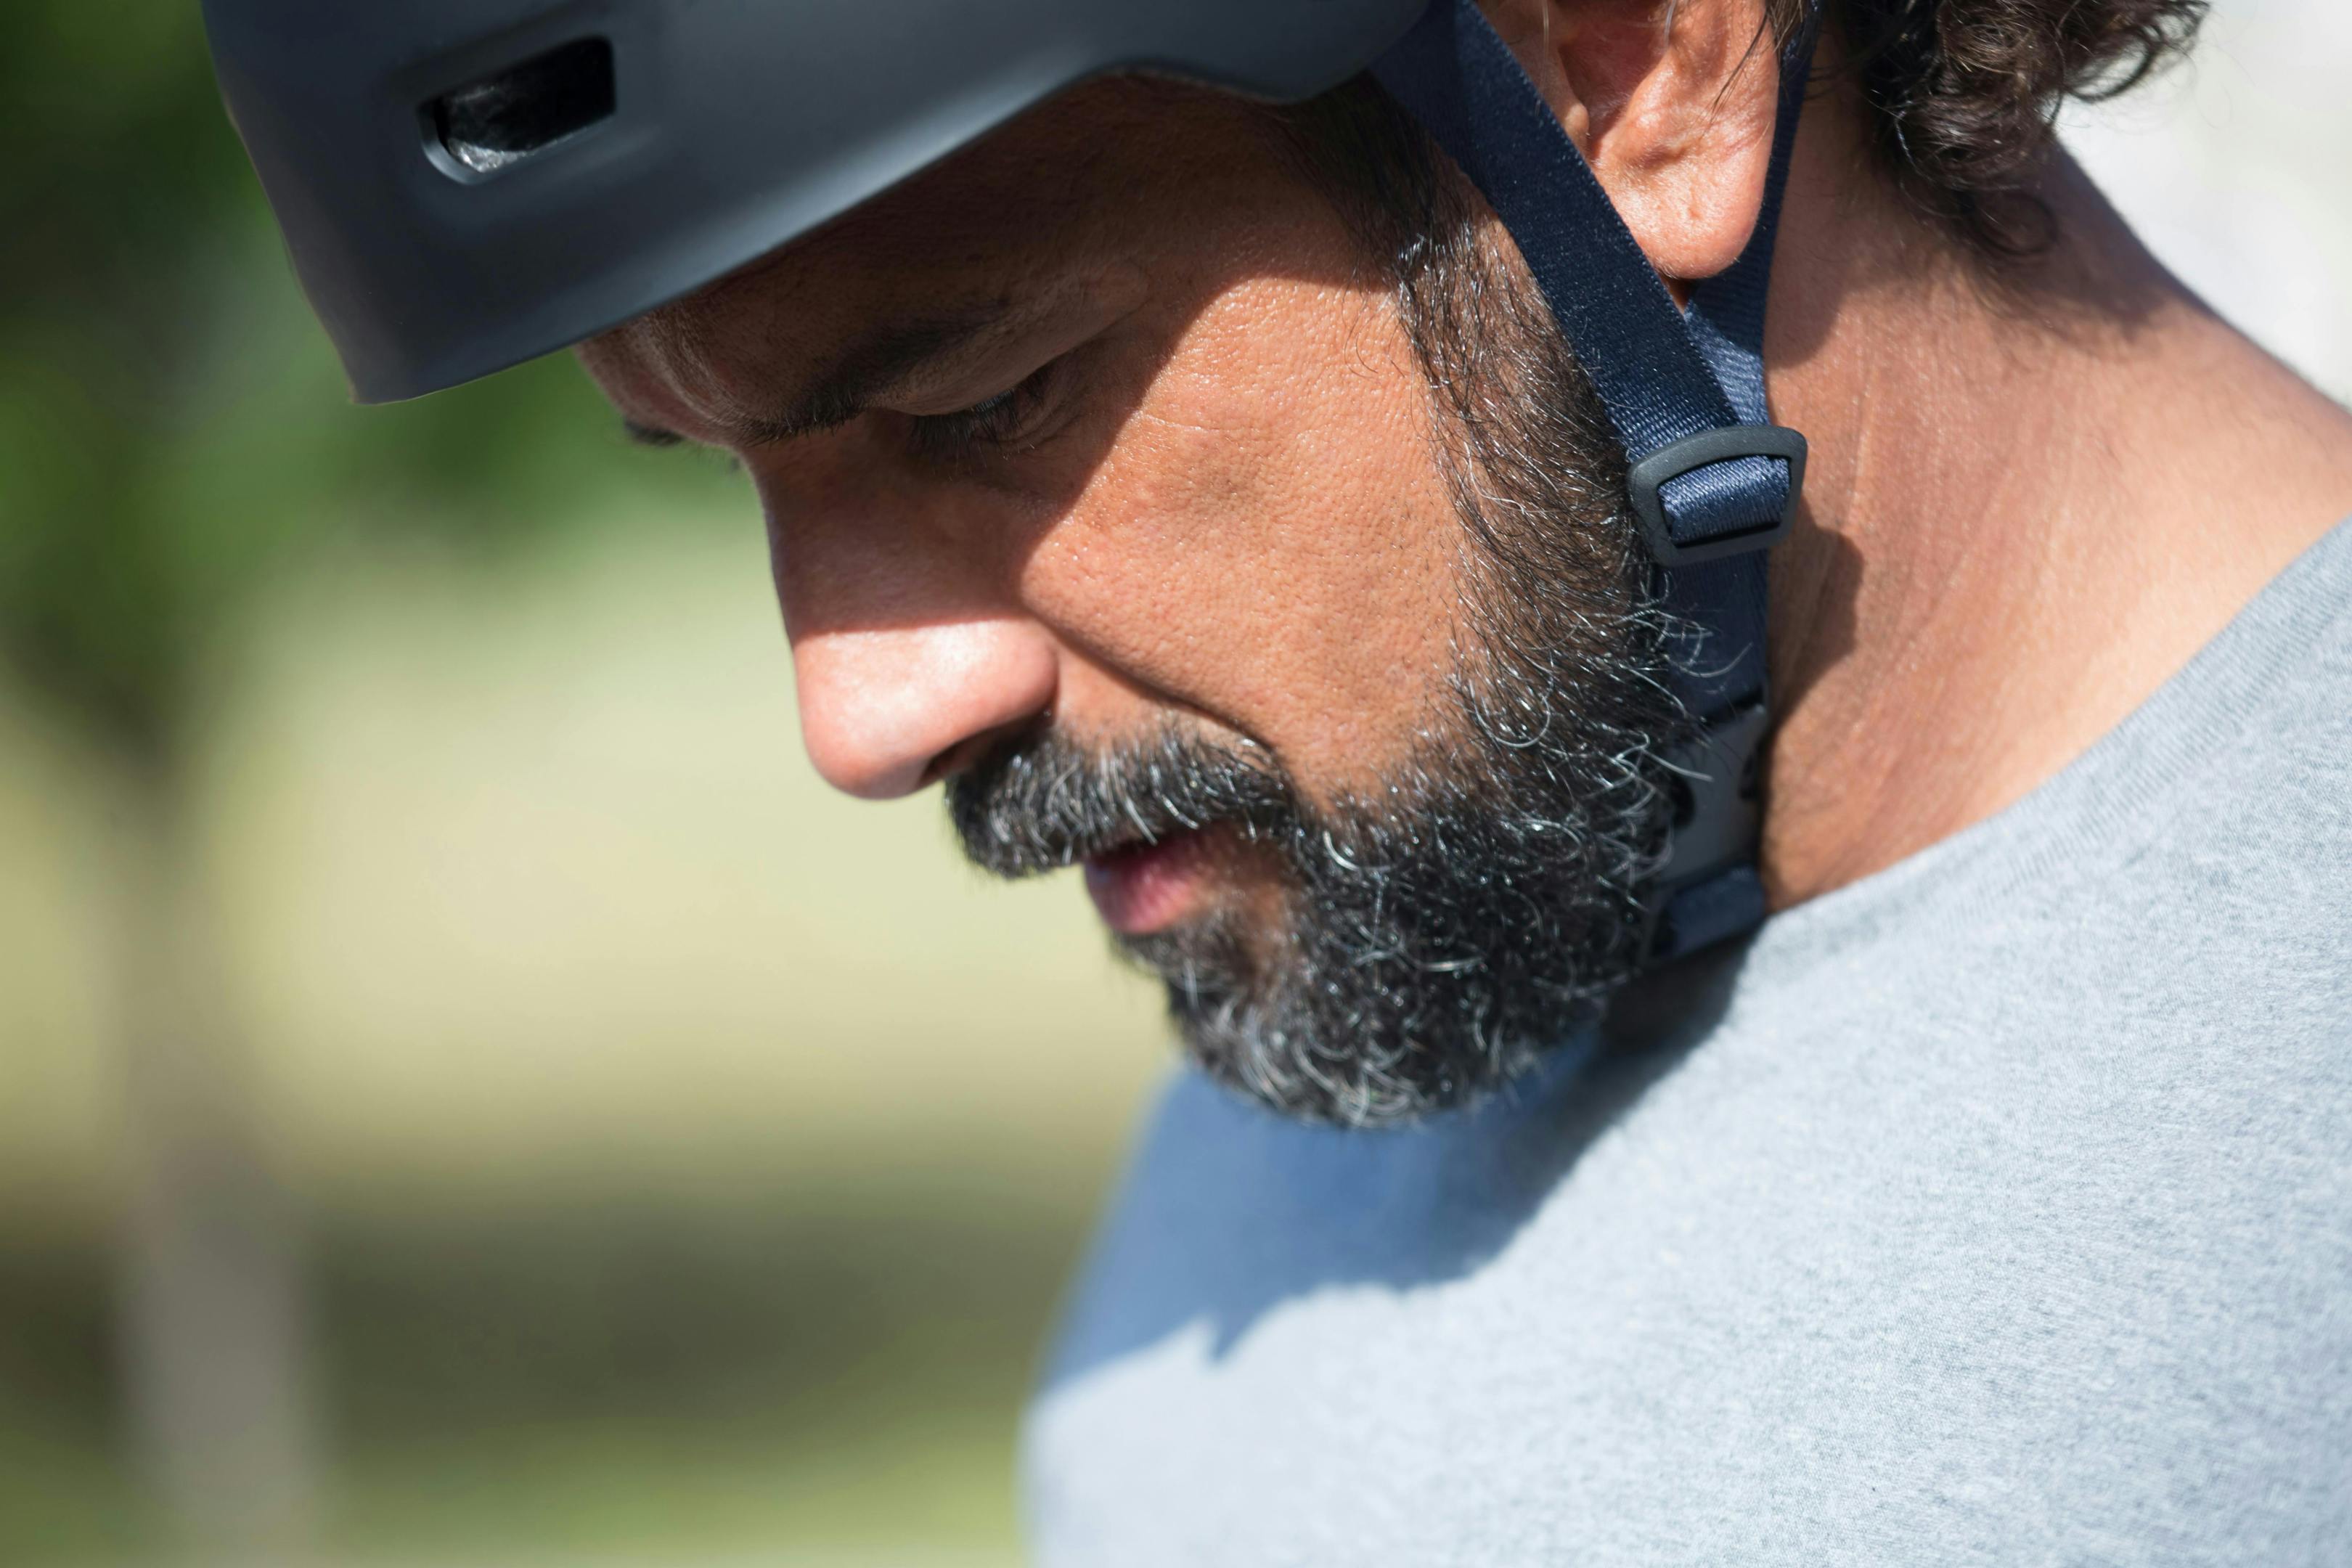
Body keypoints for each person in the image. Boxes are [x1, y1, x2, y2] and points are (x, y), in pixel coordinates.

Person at [206, 0, 2352, 1558]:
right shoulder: (1437, 909)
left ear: (1634, 74)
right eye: (722, 471)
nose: (858, 721)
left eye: (986, 400)